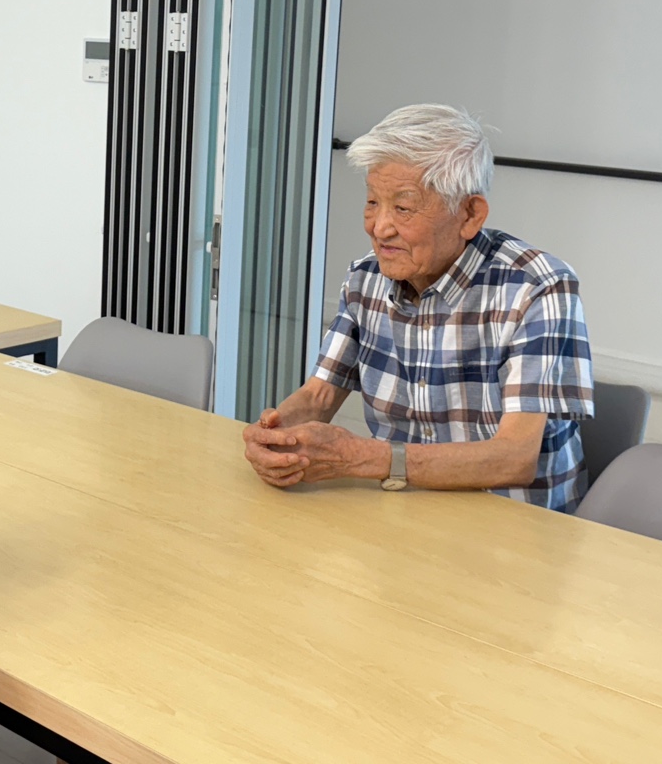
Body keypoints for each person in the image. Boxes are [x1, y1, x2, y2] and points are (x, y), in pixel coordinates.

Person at [242, 104, 594, 512]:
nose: (379, 227)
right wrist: (275, 436)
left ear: (470, 214)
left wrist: (366, 458)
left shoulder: (537, 287)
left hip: (518, 523)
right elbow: (318, 396)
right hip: (408, 510)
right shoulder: (365, 277)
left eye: (403, 207)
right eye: (372, 202)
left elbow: (514, 457)